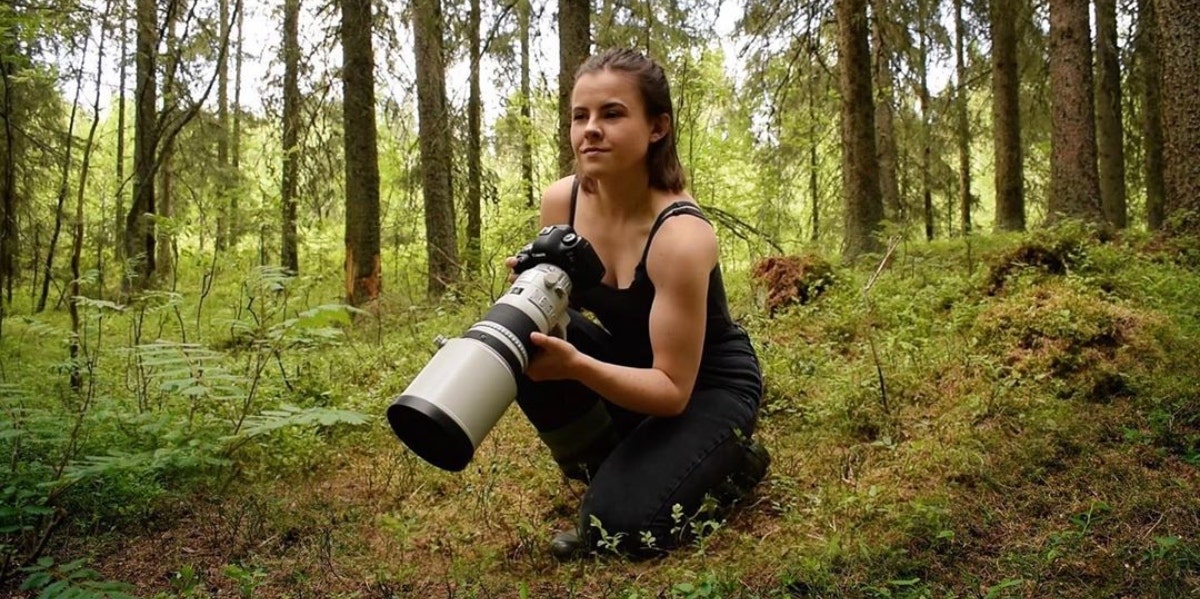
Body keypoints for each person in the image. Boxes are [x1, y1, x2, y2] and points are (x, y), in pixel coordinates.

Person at [505, 48, 768, 560]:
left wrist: (578, 367)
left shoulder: (681, 235)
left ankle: (733, 460)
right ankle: (621, 469)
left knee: (618, 530)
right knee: (521, 334)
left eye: (612, 113)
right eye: (580, 116)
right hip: (628, 366)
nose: (591, 129)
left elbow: (672, 391)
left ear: (657, 128)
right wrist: (528, 289)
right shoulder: (563, 202)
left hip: (700, 388)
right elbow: (557, 300)